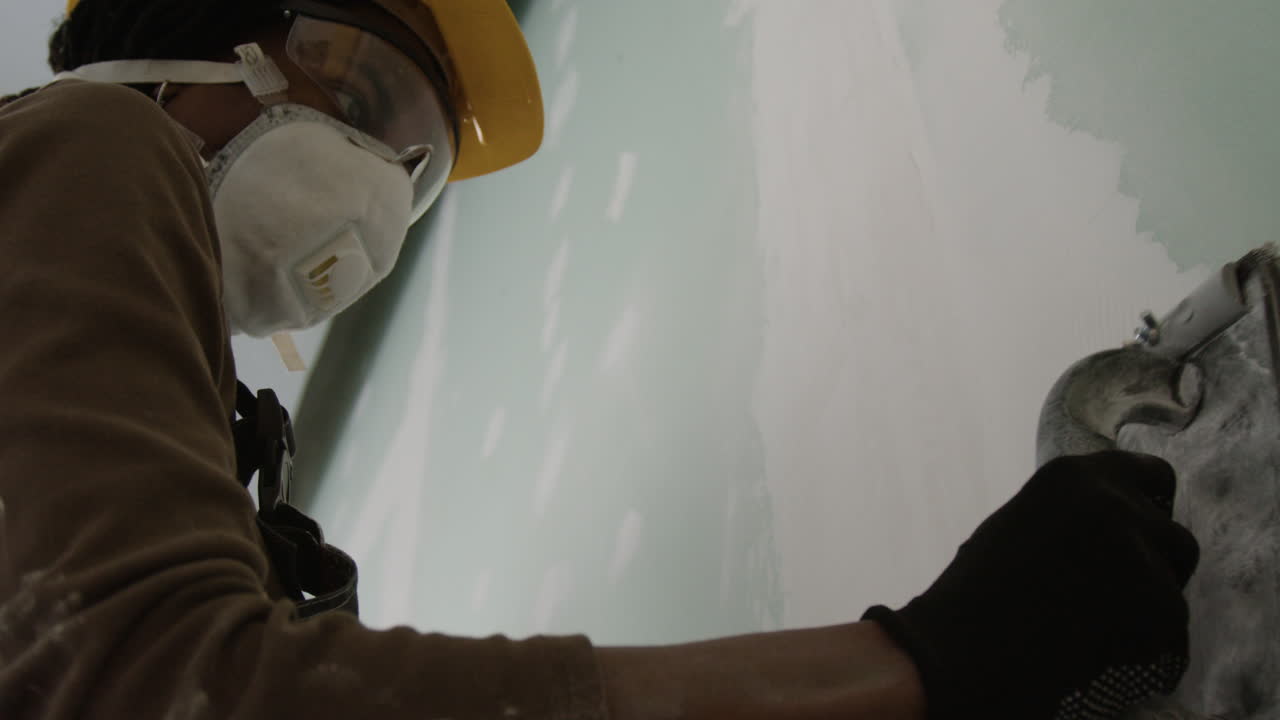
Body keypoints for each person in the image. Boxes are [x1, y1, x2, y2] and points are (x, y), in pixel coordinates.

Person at [0, 0, 1201, 718]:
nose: (379, 184)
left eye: (413, 159)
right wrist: (919, 664)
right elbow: (159, 689)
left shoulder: (183, 429)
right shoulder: (92, 133)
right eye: (356, 85)